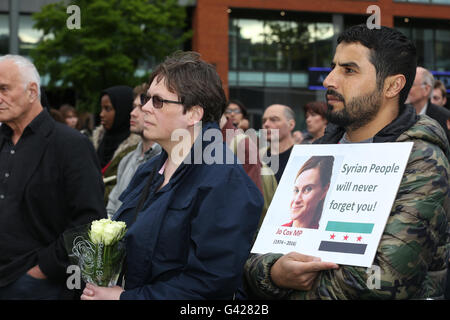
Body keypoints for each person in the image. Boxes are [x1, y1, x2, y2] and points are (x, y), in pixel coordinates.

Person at [245, 24, 449, 299]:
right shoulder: (318, 152)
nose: (329, 80)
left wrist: (280, 287)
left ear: (392, 85)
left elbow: (381, 283)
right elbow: (259, 251)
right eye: (333, 67)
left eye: (348, 70)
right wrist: (274, 271)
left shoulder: (422, 160)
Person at [81, 51, 264, 300]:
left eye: (158, 101)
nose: (144, 108)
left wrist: (124, 298)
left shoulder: (224, 180)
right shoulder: (149, 171)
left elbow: (210, 285)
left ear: (193, 114)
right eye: (146, 98)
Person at [0, 55, 107, 299]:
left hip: (38, 286)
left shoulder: (70, 144)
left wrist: (43, 270)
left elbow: (90, 221)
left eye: (4, 88)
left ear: (32, 91)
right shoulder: (3, 141)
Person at [106, 83, 162, 218]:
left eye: (141, 108)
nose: (132, 113)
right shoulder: (127, 160)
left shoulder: (165, 162)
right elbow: (112, 206)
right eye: (133, 107)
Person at [92, 85, 141, 200]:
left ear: (122, 110)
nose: (102, 114)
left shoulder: (135, 149)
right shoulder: (96, 142)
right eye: (102, 108)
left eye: (108, 109)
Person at [282, 156, 333, 229]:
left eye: (308, 189)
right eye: (296, 190)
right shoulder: (275, 232)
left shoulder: (318, 237)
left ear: (324, 191)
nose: (296, 200)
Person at [405, 67, 450, 144]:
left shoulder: (444, 117)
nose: (405, 88)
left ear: (426, 89)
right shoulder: (396, 114)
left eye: (411, 84)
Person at [260, 104, 296, 184]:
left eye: (274, 119)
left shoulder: (302, 156)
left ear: (291, 124)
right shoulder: (258, 157)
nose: (266, 124)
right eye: (264, 121)